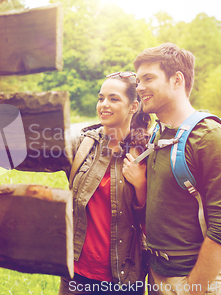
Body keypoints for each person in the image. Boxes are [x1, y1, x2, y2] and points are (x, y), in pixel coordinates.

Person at [127, 43, 221, 295]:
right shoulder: (159, 133)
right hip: (157, 275)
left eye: (148, 78)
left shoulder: (211, 138)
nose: (140, 88)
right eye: (138, 81)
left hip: (194, 280)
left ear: (176, 80)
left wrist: (193, 289)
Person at [59, 72, 151, 295]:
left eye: (113, 98)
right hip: (77, 273)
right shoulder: (83, 143)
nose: (104, 105)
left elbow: (154, 223)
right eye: (101, 98)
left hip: (124, 278)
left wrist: (140, 185)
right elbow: (32, 152)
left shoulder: (147, 152)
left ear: (133, 106)